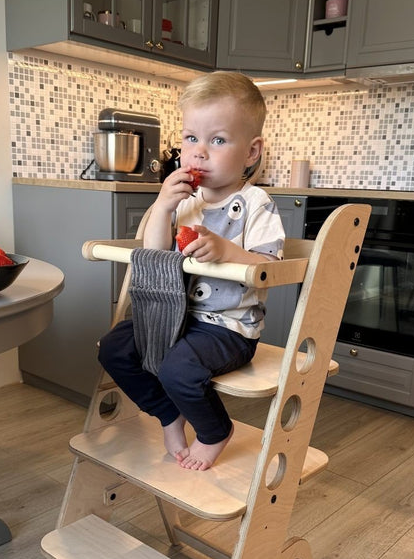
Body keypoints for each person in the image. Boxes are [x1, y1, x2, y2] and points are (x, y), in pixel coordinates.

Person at [98, 71, 285, 471]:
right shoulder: (185, 201)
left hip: (228, 328)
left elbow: (270, 268)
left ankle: (215, 430)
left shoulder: (257, 204)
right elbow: (154, 254)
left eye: (217, 140)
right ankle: (169, 414)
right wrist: (163, 207)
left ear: (251, 152)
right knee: (115, 348)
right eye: (190, 138)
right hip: (174, 318)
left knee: (178, 368)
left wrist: (227, 250)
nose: (199, 152)